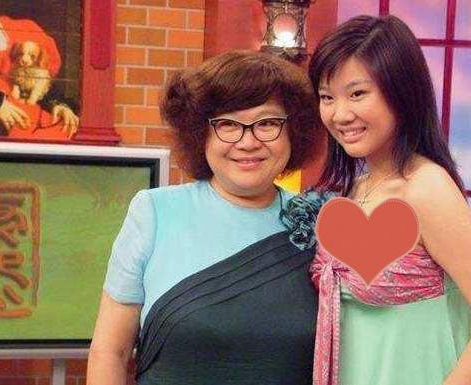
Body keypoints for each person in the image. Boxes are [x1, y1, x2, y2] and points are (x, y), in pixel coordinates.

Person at [306, 15, 471, 385]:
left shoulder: (426, 188)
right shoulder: (357, 188)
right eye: (327, 98)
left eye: (357, 94)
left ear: (401, 92)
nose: (340, 114)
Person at [87, 50, 324, 385]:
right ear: (200, 134)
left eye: (267, 123)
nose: (248, 142)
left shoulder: (317, 222)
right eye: (227, 124)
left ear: (294, 132)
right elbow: (111, 352)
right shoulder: (154, 212)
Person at [0, 0, 78, 139]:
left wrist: (57, 105)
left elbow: (38, 80)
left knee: (62, 130)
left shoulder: (21, 28)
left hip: (32, 121)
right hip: (1, 130)